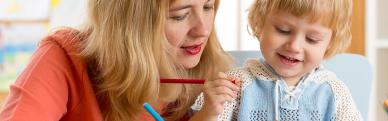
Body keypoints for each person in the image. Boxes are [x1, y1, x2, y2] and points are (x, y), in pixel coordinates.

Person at [0, 0, 233, 120]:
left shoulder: (209, 80)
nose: (203, 30)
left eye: (208, 6)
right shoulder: (64, 56)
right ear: (131, 25)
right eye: (179, 15)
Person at [191, 0, 362, 120]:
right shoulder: (238, 84)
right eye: (283, 30)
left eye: (312, 39)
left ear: (330, 43)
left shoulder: (334, 92)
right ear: (260, 22)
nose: (294, 46)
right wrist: (209, 110)